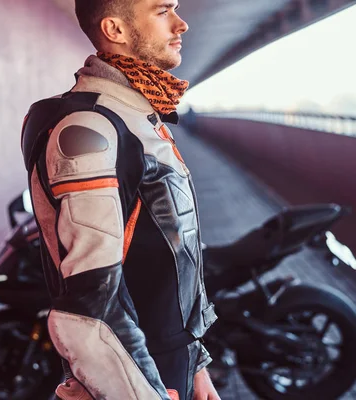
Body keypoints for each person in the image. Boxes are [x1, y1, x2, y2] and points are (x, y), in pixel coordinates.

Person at [20, 1, 219, 399]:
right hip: (134, 377)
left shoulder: (135, 114)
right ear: (116, 29)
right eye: (163, 11)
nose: (181, 24)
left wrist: (194, 363)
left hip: (166, 365)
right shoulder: (90, 128)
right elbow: (91, 308)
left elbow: (173, 257)